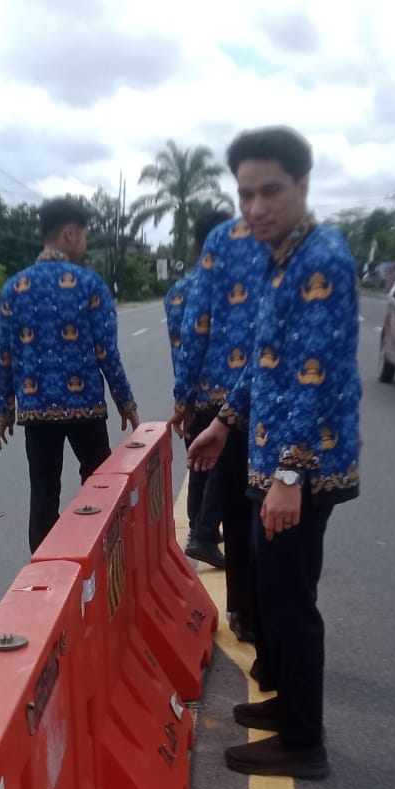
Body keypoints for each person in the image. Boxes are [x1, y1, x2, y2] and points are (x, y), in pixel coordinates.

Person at [189, 126, 361, 780]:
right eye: (245, 195)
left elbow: (313, 374)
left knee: (290, 601)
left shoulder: (321, 258)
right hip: (273, 458)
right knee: (275, 588)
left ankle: (302, 742)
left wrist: (289, 474)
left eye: (271, 191)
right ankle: (289, 708)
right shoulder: (284, 255)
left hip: (303, 467)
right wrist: (225, 423)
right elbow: (267, 363)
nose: (255, 208)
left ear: (303, 186)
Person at [0, 196, 140, 553]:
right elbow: (106, 351)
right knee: (98, 484)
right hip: (85, 408)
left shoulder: (15, 288)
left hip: (36, 411)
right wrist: (126, 401)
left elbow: (5, 355)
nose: (85, 244)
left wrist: (4, 409)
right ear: (70, 234)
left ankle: (47, 576)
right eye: (85, 236)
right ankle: (104, 557)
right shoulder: (89, 284)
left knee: (43, 493)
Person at [173, 207, 270, 641]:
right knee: (270, 511)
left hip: (220, 402)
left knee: (235, 507)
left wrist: (184, 398)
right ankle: (268, 616)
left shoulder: (214, 252)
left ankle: (242, 612)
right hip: (275, 399)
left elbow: (192, 334)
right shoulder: (294, 239)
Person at [166, 209, 236, 572]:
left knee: (200, 462)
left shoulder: (179, 291)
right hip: (231, 395)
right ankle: (205, 533)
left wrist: (184, 399)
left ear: (195, 245)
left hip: (195, 391)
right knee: (225, 465)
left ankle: (198, 526)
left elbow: (181, 349)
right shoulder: (240, 287)